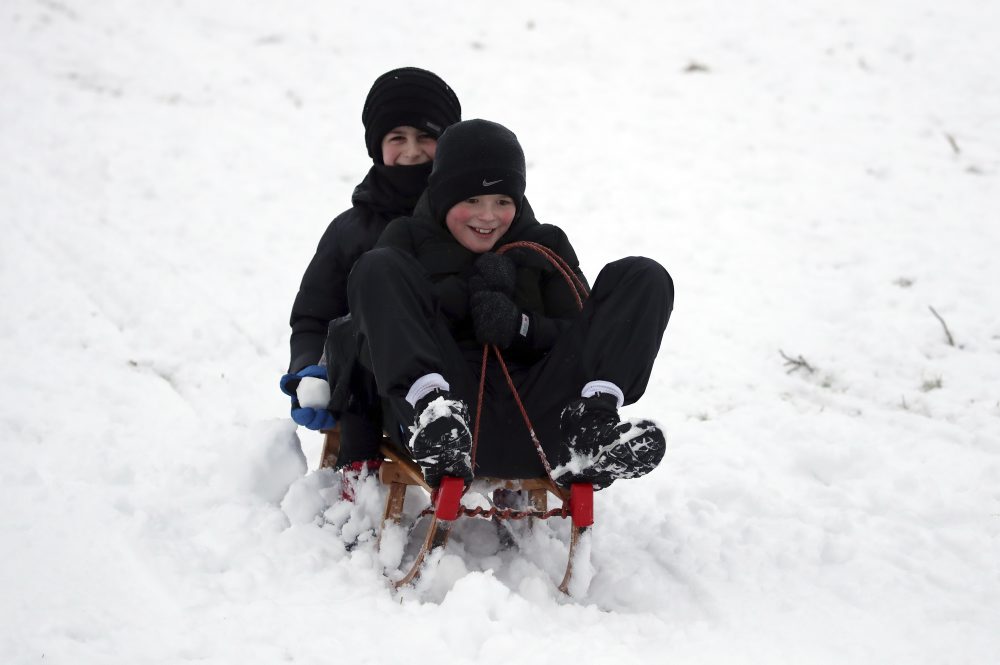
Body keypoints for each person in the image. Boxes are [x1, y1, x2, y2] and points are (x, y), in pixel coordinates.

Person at [345, 119, 674, 490]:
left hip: (548, 422)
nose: (487, 216)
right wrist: (463, 298)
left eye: (502, 202)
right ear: (443, 195)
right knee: (376, 266)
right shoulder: (406, 239)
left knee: (644, 275)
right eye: (471, 200)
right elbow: (377, 334)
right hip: (454, 421)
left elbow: (586, 336)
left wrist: (521, 326)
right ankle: (434, 414)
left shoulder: (544, 245)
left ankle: (593, 428)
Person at [280, 67, 462, 482]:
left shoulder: (474, 221)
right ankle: (359, 480)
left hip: (467, 383)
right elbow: (312, 317)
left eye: (426, 137)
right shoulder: (351, 231)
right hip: (375, 394)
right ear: (376, 145)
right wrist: (311, 368)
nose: (412, 151)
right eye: (397, 138)